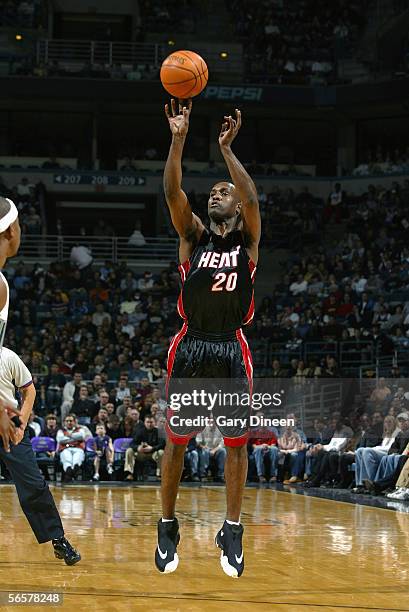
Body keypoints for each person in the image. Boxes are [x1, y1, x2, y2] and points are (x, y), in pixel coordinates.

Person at [156, 99, 260, 578]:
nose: (216, 194)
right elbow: (173, 191)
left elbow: (253, 199)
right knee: (177, 441)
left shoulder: (248, 243)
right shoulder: (193, 237)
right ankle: (167, 523)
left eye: (224, 191)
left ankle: (232, 529)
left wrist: (226, 150)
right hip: (192, 345)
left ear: (236, 204)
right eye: (214, 190)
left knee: (237, 443)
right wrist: (178, 139)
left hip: (230, 347)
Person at [0, 346, 80, 565]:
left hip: (11, 429)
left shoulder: (7, 356)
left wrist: (21, 424)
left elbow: (29, 390)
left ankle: (58, 540)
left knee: (34, 485)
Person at [124, 414, 165, 481]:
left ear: (155, 423)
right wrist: (138, 447)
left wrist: (152, 448)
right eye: (147, 422)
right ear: (144, 423)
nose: (149, 424)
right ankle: (129, 474)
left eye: (151, 422)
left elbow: (162, 444)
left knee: (161, 452)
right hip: (141, 454)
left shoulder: (159, 432)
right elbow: (132, 443)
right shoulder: (140, 431)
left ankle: (159, 475)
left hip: (153, 453)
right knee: (129, 450)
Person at [56, 414, 86, 482]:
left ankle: (72, 471)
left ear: (75, 422)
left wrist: (68, 436)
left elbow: (81, 436)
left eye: (71, 421)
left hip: (78, 448)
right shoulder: (60, 431)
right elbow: (60, 440)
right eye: (67, 421)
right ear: (64, 422)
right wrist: (75, 438)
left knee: (77, 459)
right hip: (65, 448)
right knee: (67, 460)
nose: (69, 422)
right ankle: (69, 471)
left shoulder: (80, 429)